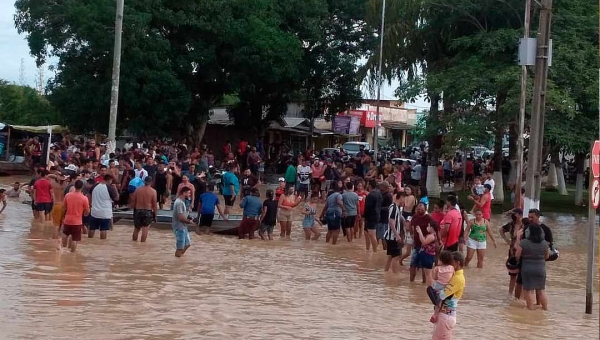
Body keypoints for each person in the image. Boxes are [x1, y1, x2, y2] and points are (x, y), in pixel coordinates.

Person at [431, 252, 466, 340]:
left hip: (446, 315)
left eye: (451, 262)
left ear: (457, 263)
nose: (449, 264)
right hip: (445, 314)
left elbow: (443, 295)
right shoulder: (454, 276)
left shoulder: (458, 279)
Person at [515, 223, 549, 310]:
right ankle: (545, 309)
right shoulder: (544, 243)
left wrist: (518, 239)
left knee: (528, 290)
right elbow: (547, 256)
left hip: (527, 268)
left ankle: (530, 309)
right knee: (541, 290)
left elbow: (517, 256)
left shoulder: (524, 242)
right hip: (540, 268)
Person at [60, 180, 90, 252]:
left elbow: (63, 207)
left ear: (74, 186)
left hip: (68, 219)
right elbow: (87, 210)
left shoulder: (68, 195)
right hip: (77, 221)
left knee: (65, 234)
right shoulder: (84, 198)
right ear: (82, 187)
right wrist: (85, 214)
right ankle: (72, 253)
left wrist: (63, 216)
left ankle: (64, 249)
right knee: (75, 238)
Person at [500, 209, 524, 296]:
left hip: (522, 252)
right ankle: (510, 293)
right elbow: (501, 230)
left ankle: (519, 295)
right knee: (513, 274)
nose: (514, 216)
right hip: (512, 252)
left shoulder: (525, 225)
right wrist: (507, 240)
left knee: (521, 275)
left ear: (520, 215)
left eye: (516, 214)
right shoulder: (511, 224)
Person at [409, 202, 434, 282]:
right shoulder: (415, 216)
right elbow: (411, 225)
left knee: (424, 267)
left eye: (421, 209)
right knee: (412, 264)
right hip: (416, 245)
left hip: (425, 246)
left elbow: (434, 229)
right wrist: (412, 236)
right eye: (418, 209)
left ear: (425, 209)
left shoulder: (428, 218)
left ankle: (424, 283)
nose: (419, 210)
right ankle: (411, 282)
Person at [428, 251, 455, 323]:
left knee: (437, 302)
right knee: (442, 300)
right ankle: (440, 310)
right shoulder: (452, 268)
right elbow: (453, 277)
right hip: (447, 288)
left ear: (441, 260)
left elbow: (435, 278)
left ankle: (435, 315)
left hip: (438, 286)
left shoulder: (437, 268)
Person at [89, 174, 118, 240]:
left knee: (92, 228)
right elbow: (116, 198)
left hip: (94, 211)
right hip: (104, 212)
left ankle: (90, 241)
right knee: (103, 229)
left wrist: (91, 205)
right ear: (109, 180)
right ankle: (102, 243)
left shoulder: (94, 185)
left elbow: (89, 195)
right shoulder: (109, 188)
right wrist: (115, 189)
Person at [129, 176, 158, 242]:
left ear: (144, 181)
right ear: (151, 182)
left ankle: (134, 244)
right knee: (145, 229)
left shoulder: (138, 190)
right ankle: (142, 246)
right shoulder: (153, 191)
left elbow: (133, 202)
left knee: (136, 229)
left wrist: (134, 211)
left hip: (138, 210)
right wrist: (155, 215)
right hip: (147, 211)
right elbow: (154, 205)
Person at [383, 192, 405, 273]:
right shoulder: (394, 207)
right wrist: (397, 235)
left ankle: (386, 272)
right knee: (396, 257)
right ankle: (395, 274)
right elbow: (391, 221)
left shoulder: (395, 207)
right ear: (401, 197)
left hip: (391, 236)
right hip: (392, 237)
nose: (404, 200)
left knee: (391, 256)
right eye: (404, 198)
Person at [414, 220, 440, 286]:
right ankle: (429, 287)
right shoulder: (432, 235)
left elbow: (424, 242)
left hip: (428, 256)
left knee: (428, 275)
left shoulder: (432, 236)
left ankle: (430, 288)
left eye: (428, 226)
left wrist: (420, 232)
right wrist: (419, 233)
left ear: (432, 227)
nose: (427, 227)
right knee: (427, 274)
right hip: (426, 255)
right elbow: (422, 240)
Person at [172, 187, 193, 257]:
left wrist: (189, 218)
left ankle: (179, 259)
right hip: (179, 227)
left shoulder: (183, 202)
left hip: (183, 227)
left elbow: (184, 215)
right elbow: (181, 218)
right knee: (180, 248)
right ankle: (177, 259)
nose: (189, 195)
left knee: (187, 244)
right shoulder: (179, 203)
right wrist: (190, 221)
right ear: (184, 193)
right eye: (189, 193)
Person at [363, 179, 382, 252]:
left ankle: (375, 251)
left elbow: (367, 207)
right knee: (366, 233)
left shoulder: (370, 195)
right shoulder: (379, 194)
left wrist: (364, 216)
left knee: (371, 234)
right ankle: (367, 249)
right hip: (376, 215)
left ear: (369, 185)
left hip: (371, 216)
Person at [377, 181, 393, 250]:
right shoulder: (381, 194)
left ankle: (385, 250)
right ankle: (377, 250)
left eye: (381, 186)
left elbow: (389, 207)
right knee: (378, 235)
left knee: (383, 236)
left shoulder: (388, 195)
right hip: (380, 218)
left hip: (384, 218)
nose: (379, 188)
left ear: (385, 187)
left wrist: (379, 208)